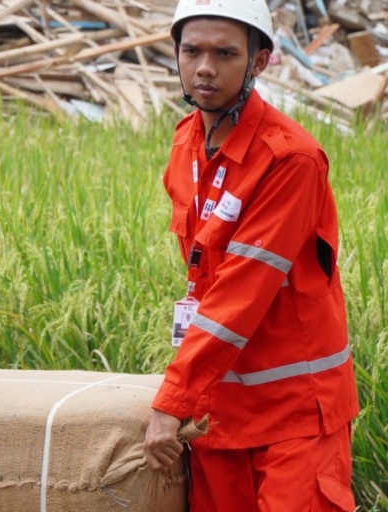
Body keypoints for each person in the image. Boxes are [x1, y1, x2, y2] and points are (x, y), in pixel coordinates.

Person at [143, 1, 359, 511]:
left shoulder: (291, 160)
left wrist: (172, 401)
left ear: (259, 61)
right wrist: (191, 395)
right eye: (191, 51)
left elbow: (242, 288)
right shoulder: (185, 143)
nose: (204, 68)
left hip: (296, 414)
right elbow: (204, 280)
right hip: (220, 407)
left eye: (225, 53)